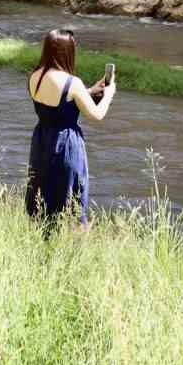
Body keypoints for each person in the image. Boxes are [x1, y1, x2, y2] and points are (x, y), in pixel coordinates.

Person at [24, 27, 115, 227]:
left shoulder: (35, 76)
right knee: (70, 199)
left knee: (42, 196)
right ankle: (73, 245)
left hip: (41, 143)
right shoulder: (73, 83)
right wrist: (108, 94)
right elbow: (97, 115)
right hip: (66, 146)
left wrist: (89, 91)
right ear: (67, 52)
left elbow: (58, 104)